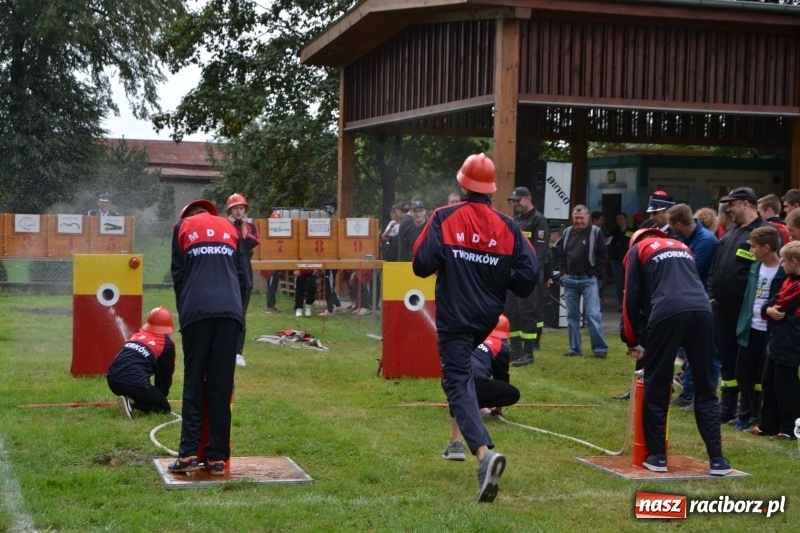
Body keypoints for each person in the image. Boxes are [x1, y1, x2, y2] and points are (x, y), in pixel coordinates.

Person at [413, 153, 539, 503]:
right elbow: (529, 277)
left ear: (462, 183)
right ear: (491, 189)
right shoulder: (508, 226)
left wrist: (450, 261)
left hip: (455, 316)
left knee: (455, 379)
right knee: (459, 378)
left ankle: (484, 456)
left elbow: (421, 265)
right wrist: (500, 275)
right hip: (487, 319)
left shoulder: (443, 216)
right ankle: (454, 440)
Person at [622, 231, 731, 476]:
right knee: (706, 387)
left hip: (668, 311)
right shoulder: (683, 247)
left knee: (657, 383)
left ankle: (657, 456)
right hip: (702, 310)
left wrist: (632, 339)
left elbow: (631, 298)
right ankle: (718, 460)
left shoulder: (637, 251)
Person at [170, 198, 249, 475]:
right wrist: (239, 317)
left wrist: (186, 315)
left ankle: (188, 454)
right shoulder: (230, 227)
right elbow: (244, 280)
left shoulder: (182, 227)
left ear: (187, 215)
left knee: (194, 382)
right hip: (230, 314)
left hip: (197, 312)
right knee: (220, 385)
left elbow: (178, 276)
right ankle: (217, 457)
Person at [709, 187, 775, 424]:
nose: (729, 209)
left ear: (746, 204)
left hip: (747, 310)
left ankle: (752, 409)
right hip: (723, 306)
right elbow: (717, 266)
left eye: (733, 204)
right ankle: (727, 407)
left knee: (751, 360)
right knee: (726, 356)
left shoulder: (763, 233)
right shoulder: (732, 231)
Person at [666, 203, 721, 410]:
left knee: (706, 352)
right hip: (687, 298)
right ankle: (688, 393)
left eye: (672, 225)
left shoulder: (705, 240)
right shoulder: (683, 238)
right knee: (689, 350)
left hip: (702, 300)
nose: (671, 229)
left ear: (679, 223)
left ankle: (703, 396)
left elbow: (690, 268)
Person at [443, 315, 520, 461]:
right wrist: (498, 410)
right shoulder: (501, 346)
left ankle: (463, 415)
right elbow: (501, 378)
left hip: (451, 380)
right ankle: (473, 407)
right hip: (474, 382)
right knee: (513, 393)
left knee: (460, 387)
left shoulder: (474, 338)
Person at [746, 240, 800, 440]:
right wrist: (767, 309)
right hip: (777, 341)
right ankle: (767, 424)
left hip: (791, 342)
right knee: (769, 383)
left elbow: (784, 307)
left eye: (785, 261)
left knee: (786, 387)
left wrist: (771, 309)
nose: (782, 265)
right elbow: (773, 301)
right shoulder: (788, 280)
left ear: (794, 262)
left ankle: (788, 429)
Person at [733, 226, 785, 432]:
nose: (751, 250)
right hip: (750, 327)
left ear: (766, 247)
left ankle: (765, 417)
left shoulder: (783, 270)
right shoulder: (755, 268)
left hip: (771, 332)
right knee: (743, 373)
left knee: (766, 377)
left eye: (754, 246)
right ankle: (746, 414)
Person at [552, 205, 608, 358]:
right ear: (572, 218)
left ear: (588, 218)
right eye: (576, 218)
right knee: (572, 316)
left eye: (582, 218)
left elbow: (603, 256)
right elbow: (561, 254)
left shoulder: (595, 232)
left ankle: (600, 349)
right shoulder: (567, 232)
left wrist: (595, 273)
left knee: (592, 314)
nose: (579, 221)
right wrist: (563, 272)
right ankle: (575, 349)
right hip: (570, 279)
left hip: (588, 279)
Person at [505, 186, 550, 368]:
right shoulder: (517, 220)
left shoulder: (538, 221)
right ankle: (514, 350)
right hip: (513, 275)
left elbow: (540, 253)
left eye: (518, 200)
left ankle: (528, 352)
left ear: (528, 198)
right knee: (511, 312)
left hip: (528, 276)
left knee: (527, 313)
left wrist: (530, 276)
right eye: (513, 200)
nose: (515, 203)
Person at [106, 306, 176, 418]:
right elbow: (165, 374)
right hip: (134, 384)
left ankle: (129, 398)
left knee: (140, 390)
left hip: (112, 381)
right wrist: (161, 398)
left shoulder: (137, 335)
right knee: (164, 408)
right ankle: (131, 401)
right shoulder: (166, 343)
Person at [226, 193, 260, 367]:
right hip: (226, 276)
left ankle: (238, 353)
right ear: (230, 210)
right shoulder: (224, 226)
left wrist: (244, 226)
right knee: (225, 315)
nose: (239, 211)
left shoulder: (251, 227)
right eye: (235, 208)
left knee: (240, 315)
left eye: (241, 208)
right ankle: (225, 350)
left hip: (244, 276)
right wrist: (229, 226)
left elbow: (251, 242)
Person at [607, 212, 631, 311]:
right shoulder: (613, 231)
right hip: (616, 259)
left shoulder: (631, 231)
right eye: (617, 219)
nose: (619, 221)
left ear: (625, 219)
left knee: (628, 281)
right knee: (619, 281)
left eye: (621, 218)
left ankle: (628, 303)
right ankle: (621, 303)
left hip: (628, 259)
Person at [263, 212, 283, 313]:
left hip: (276, 263)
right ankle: (270, 306)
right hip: (270, 265)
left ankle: (272, 305)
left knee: (273, 285)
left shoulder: (280, 234)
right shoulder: (267, 234)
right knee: (271, 285)